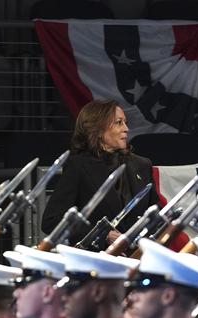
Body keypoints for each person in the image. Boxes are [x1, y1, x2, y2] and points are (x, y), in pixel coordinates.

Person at [41, 99, 159, 244]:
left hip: (136, 258)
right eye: (119, 122)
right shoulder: (79, 165)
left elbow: (155, 214)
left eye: (125, 122)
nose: (126, 129)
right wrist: (102, 234)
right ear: (98, 129)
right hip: (97, 258)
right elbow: (52, 221)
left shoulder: (142, 164)